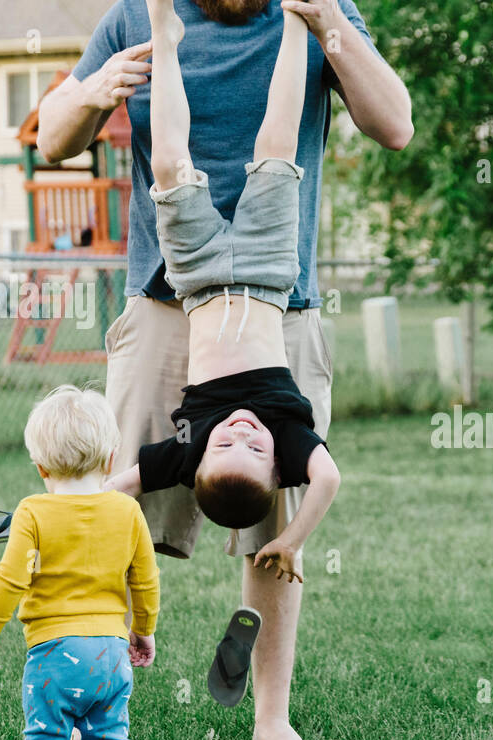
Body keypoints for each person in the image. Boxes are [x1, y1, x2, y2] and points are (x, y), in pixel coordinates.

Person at [37, 0, 412, 740]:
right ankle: (86, 703)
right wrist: (91, 90)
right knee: (116, 522)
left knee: (275, 528)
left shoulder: (317, 10)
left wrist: (328, 27)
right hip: (164, 302)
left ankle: (271, 720)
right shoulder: (132, 18)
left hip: (283, 310)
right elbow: (52, 140)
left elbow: (395, 126)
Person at [106, 0, 340, 589]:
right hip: (266, 270)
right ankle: (294, 23)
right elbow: (329, 481)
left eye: (225, 444)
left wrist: (66, 508)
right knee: (277, 147)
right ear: (279, 464)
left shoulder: (188, 450)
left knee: (169, 167)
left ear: (200, 461)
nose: (241, 430)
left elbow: (125, 483)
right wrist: (291, 540)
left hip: (197, 277)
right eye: (254, 448)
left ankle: (165, 34)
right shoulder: (290, 435)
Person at [0, 385, 160, 740]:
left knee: (46, 738)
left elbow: (10, 579)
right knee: (112, 738)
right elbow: (145, 579)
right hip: (111, 655)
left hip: (52, 656)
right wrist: (143, 630)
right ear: (111, 461)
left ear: (41, 468)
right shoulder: (128, 511)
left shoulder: (32, 512)